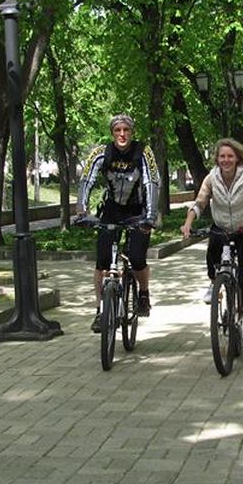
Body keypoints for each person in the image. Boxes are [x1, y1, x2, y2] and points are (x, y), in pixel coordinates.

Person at [180, 139, 243, 349]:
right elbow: (200, 202)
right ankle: (214, 283)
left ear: (237, 158)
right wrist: (188, 224)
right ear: (217, 159)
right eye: (222, 156)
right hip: (221, 228)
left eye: (230, 156)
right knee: (212, 252)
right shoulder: (211, 178)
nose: (226, 160)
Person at [77, 114, 160, 332]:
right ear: (112, 133)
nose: (122, 134)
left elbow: (152, 182)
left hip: (138, 211)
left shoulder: (143, 152)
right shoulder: (101, 152)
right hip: (111, 211)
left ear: (132, 132)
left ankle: (143, 293)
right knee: (102, 262)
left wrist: (151, 216)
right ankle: (100, 311)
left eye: (126, 130)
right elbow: (86, 179)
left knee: (137, 258)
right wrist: (81, 211)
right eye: (117, 130)